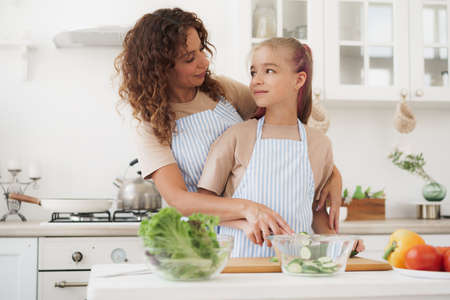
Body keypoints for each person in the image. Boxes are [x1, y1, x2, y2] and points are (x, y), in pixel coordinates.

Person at [114, 8, 343, 242]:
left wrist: (331, 174)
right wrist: (246, 210)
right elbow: (179, 200)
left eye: (201, 49)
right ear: (161, 68)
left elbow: (287, 118)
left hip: (255, 229)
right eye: (189, 58)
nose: (204, 62)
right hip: (203, 238)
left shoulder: (221, 91)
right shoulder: (151, 124)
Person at [198, 37, 364, 257]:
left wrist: (341, 245)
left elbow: (316, 215)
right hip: (241, 269)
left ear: (299, 80)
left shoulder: (320, 144)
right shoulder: (237, 137)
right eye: (253, 72)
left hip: (297, 270)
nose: (256, 80)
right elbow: (201, 208)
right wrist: (243, 222)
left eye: (269, 71)